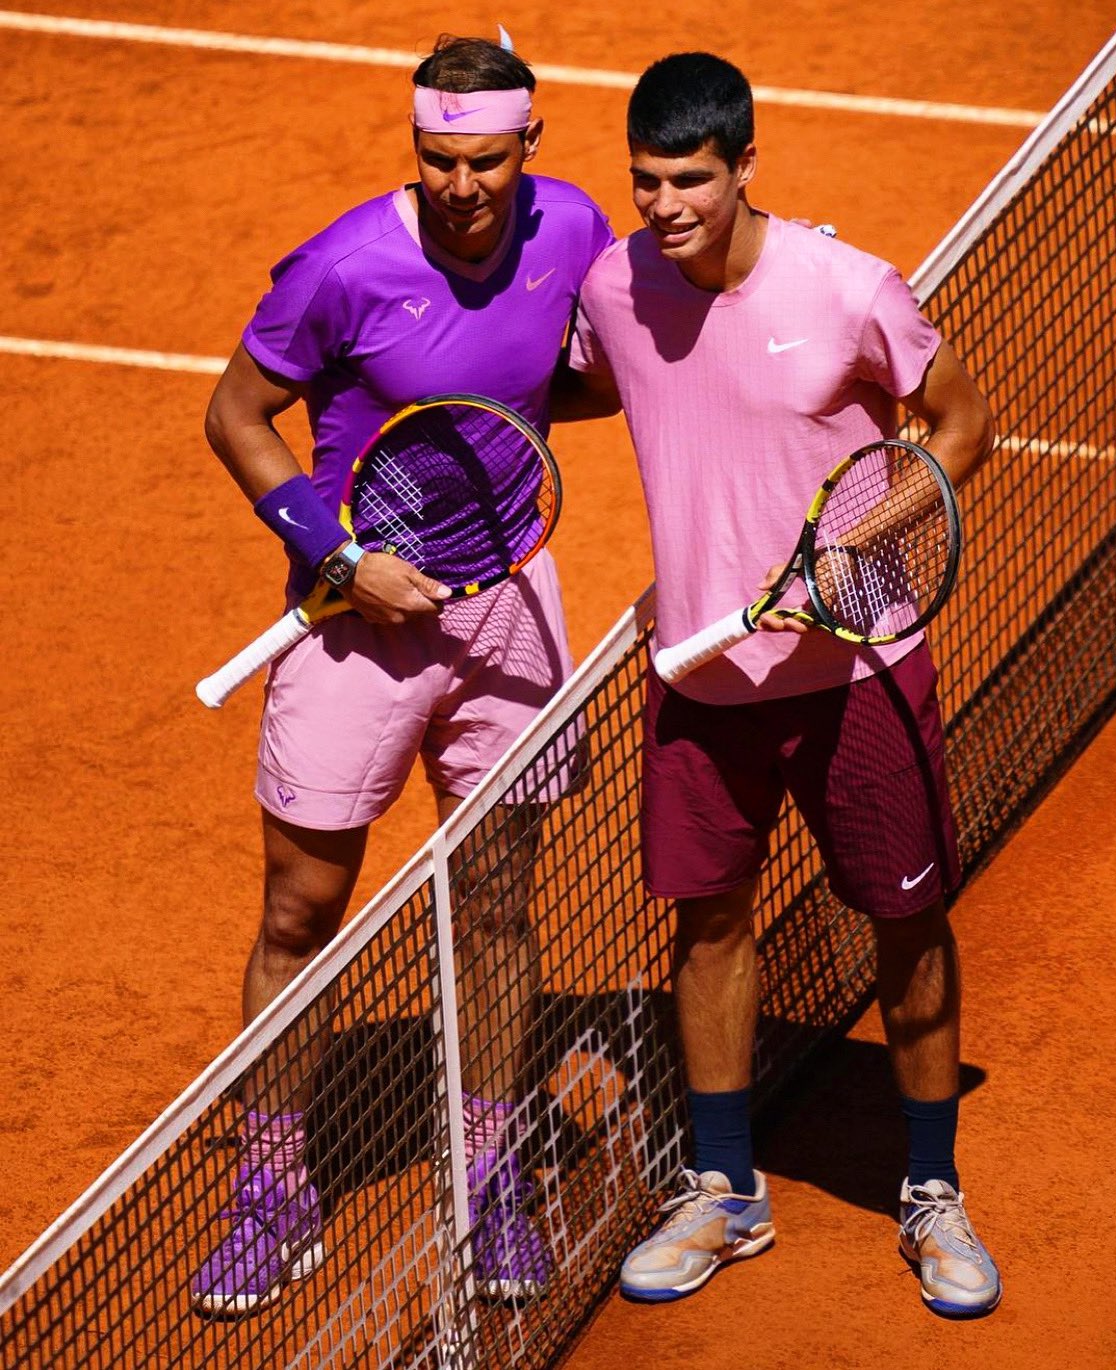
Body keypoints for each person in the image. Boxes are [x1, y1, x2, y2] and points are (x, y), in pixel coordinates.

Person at [555, 51, 1001, 1318]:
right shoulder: (615, 283)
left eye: (689, 180)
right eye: (644, 182)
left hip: (856, 669)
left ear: (748, 164)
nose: (664, 207)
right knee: (709, 922)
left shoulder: (848, 286)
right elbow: (591, 381)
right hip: (702, 673)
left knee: (905, 923)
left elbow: (961, 427)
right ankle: (724, 1184)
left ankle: (928, 1188)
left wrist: (861, 534)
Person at [191, 34, 613, 1316]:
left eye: (487, 159)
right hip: (353, 618)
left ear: (528, 148)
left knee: (494, 905)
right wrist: (338, 551)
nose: (463, 184)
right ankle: (272, 1187)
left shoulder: (578, 227)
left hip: (505, 610)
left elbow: (575, 371)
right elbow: (233, 414)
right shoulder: (343, 267)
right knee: (297, 908)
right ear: (413, 143)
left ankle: (489, 1175)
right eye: (439, 158)